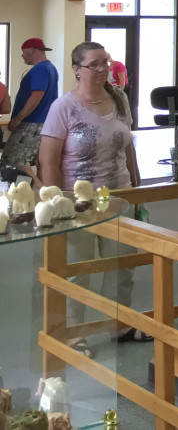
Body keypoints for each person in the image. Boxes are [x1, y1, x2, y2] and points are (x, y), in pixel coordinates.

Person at [39, 41, 145, 355]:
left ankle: (119, 323)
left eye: (105, 62)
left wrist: (137, 188)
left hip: (119, 195)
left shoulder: (119, 99)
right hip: (77, 201)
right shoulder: (64, 107)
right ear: (77, 70)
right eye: (93, 64)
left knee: (121, 264)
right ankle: (72, 331)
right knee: (78, 268)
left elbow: (128, 146)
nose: (102, 69)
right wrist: (56, 204)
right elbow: (48, 160)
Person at [1, 37, 60, 180]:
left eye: (23, 51)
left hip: (32, 123)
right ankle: (39, 191)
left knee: (16, 161)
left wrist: (18, 118)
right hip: (43, 123)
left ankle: (27, 188)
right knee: (37, 162)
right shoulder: (50, 68)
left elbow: (36, 96)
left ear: (32, 50)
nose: (22, 56)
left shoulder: (40, 69)